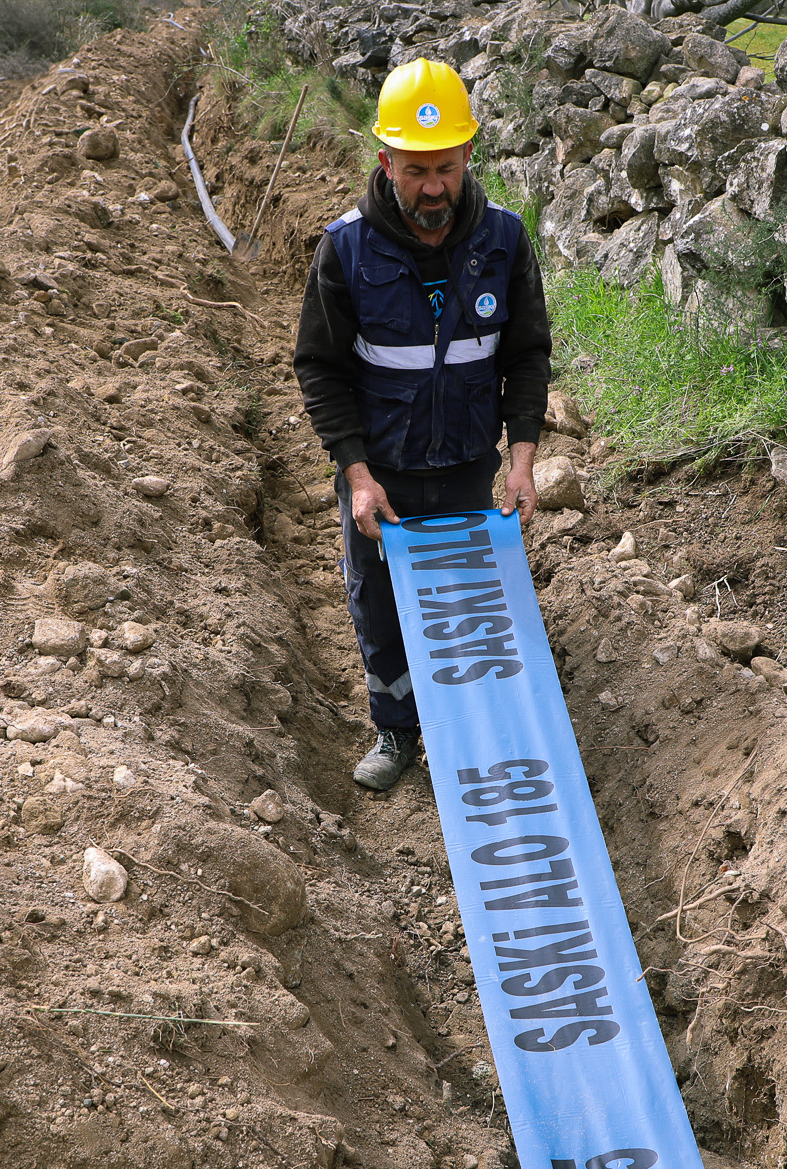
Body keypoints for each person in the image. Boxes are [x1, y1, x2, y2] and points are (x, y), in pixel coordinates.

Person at [293, 58, 554, 791]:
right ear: (385, 161)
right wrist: (358, 475)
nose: (432, 186)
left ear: (469, 155)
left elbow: (528, 353)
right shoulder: (344, 249)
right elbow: (320, 367)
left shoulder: (503, 241)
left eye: (445, 167)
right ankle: (398, 729)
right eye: (415, 171)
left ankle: (475, 736)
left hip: (469, 464)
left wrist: (522, 460)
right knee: (379, 601)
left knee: (472, 607)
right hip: (383, 471)